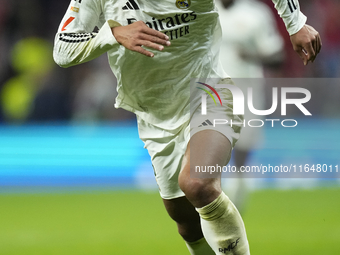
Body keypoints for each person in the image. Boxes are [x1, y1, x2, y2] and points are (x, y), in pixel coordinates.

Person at [53, 0, 321, 254]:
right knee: (186, 223)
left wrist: (295, 23)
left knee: (197, 183)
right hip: (154, 116)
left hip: (210, 92)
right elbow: (63, 50)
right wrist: (114, 34)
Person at [217, 0, 285, 213]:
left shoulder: (256, 13)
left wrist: (251, 55)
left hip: (247, 91)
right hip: (210, 90)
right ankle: (214, 204)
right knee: (212, 151)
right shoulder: (201, 9)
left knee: (241, 153)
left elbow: (278, 56)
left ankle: (236, 202)